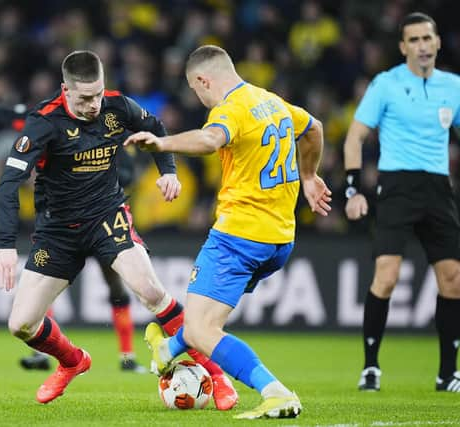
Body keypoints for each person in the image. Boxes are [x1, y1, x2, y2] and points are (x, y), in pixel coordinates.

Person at [0, 50, 238, 408]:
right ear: (65, 90)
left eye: (98, 93)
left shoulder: (117, 106)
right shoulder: (44, 123)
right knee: (22, 325)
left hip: (107, 217)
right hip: (57, 231)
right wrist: (5, 244)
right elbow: (9, 182)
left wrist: (168, 170)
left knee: (152, 293)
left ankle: (216, 375)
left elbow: (156, 128)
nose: (94, 105)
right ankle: (73, 361)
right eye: (85, 98)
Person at [125, 45, 331, 420]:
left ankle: (275, 392)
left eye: (195, 89)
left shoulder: (230, 110)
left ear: (203, 80)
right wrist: (311, 175)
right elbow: (314, 128)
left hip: (239, 236)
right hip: (280, 238)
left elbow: (209, 140)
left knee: (202, 329)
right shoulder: (271, 101)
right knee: (205, 322)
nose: (198, 98)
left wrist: (161, 142)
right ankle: (168, 350)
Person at [0, 77, 146, 373]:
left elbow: (127, 173)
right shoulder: (41, 123)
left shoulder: (106, 127)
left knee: (116, 285)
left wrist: (91, 183)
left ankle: (127, 357)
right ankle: (44, 354)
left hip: (102, 221)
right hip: (62, 224)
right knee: (45, 284)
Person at [343, 12, 460, 392]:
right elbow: (355, 137)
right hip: (397, 187)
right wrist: (352, 189)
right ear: (402, 47)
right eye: (414, 40)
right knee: (387, 277)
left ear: (438, 42)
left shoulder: (453, 86)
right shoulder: (386, 84)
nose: (423, 46)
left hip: (439, 189)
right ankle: (370, 367)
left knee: (453, 281)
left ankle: (447, 374)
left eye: (428, 38)